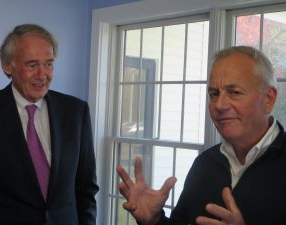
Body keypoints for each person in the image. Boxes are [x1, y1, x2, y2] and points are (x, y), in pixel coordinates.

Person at [117, 46, 286, 225]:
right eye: (214, 94)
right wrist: (155, 221)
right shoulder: (205, 163)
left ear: (268, 99)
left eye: (234, 92)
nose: (219, 105)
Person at [0, 24, 99, 225]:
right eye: (31, 65)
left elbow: (86, 188)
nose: (42, 74)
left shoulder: (75, 111)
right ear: (7, 66)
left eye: (48, 64)